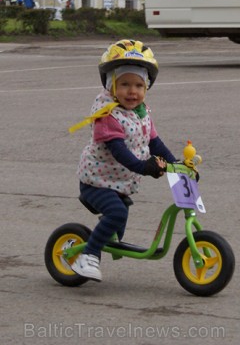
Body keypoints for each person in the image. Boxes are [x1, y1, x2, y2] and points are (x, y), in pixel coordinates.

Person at [68, 39, 176, 282]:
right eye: (124, 84)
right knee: (117, 213)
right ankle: (89, 256)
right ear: (111, 85)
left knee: (120, 213)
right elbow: (118, 151)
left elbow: (155, 143)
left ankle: (105, 238)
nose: (132, 91)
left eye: (139, 85)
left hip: (118, 182)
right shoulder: (107, 115)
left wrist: (177, 164)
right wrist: (144, 166)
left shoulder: (142, 113)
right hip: (96, 181)